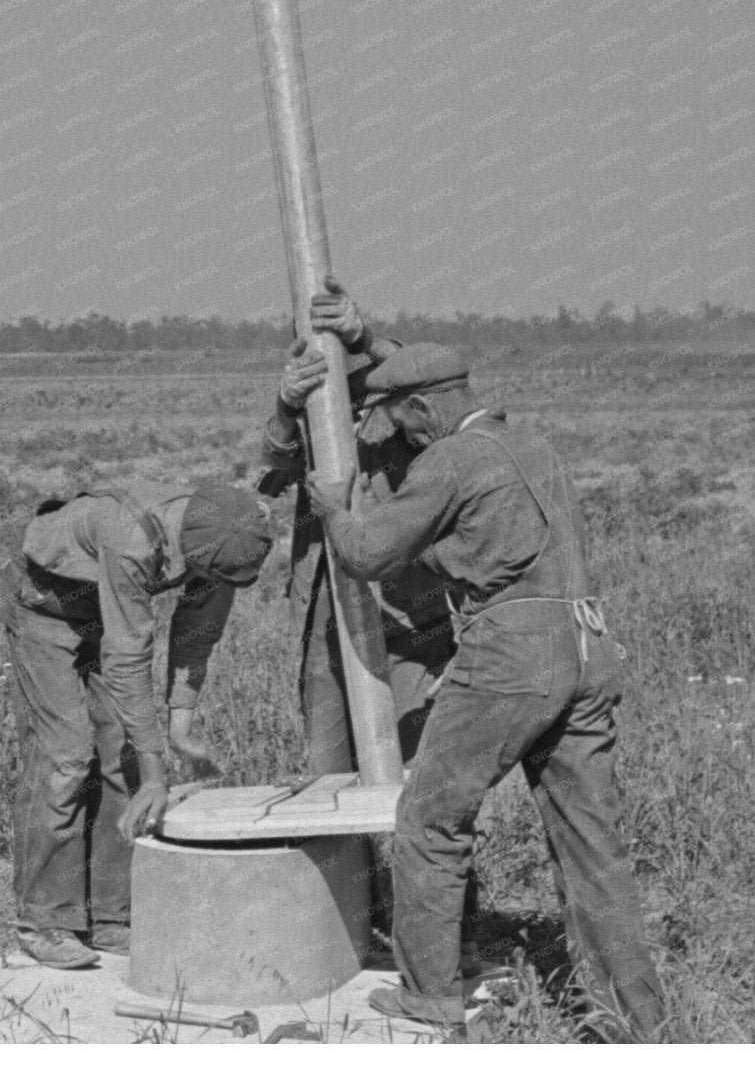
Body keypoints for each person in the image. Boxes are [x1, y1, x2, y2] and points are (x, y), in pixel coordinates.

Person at [304, 344, 664, 1040]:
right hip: (588, 642)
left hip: (512, 652)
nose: (404, 436)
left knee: (431, 818)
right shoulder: (534, 445)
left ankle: (431, 997)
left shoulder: (450, 458)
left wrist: (336, 510)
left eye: (402, 421)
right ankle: (634, 1022)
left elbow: (368, 553)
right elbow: (495, 544)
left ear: (422, 405)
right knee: (591, 843)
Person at [259, 280, 491, 972]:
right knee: (331, 782)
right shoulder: (311, 414)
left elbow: (440, 388)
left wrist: (365, 337)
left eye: (364, 388)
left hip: (411, 618)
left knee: (429, 782)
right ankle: (346, 932)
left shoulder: (414, 423)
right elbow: (270, 471)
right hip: (331, 620)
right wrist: (283, 405)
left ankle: (451, 934)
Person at [7, 478, 275, 969]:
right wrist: (158, 775)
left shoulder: (226, 533)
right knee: (67, 757)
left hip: (108, 610)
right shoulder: (132, 535)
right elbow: (128, 657)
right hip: (47, 607)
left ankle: (112, 915)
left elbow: (197, 632)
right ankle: (45, 918)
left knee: (123, 757)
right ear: (191, 553)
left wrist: (179, 727)